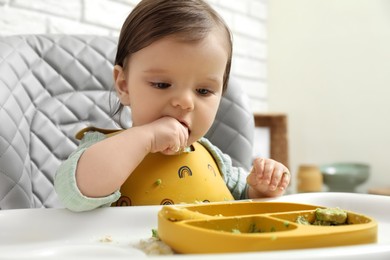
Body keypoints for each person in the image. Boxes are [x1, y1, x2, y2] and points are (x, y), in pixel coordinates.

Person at [54, 0, 290, 212]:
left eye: (203, 91)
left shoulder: (216, 160)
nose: (185, 102)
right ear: (124, 85)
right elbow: (77, 192)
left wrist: (261, 190)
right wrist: (145, 137)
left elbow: (243, 202)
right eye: (162, 84)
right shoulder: (105, 150)